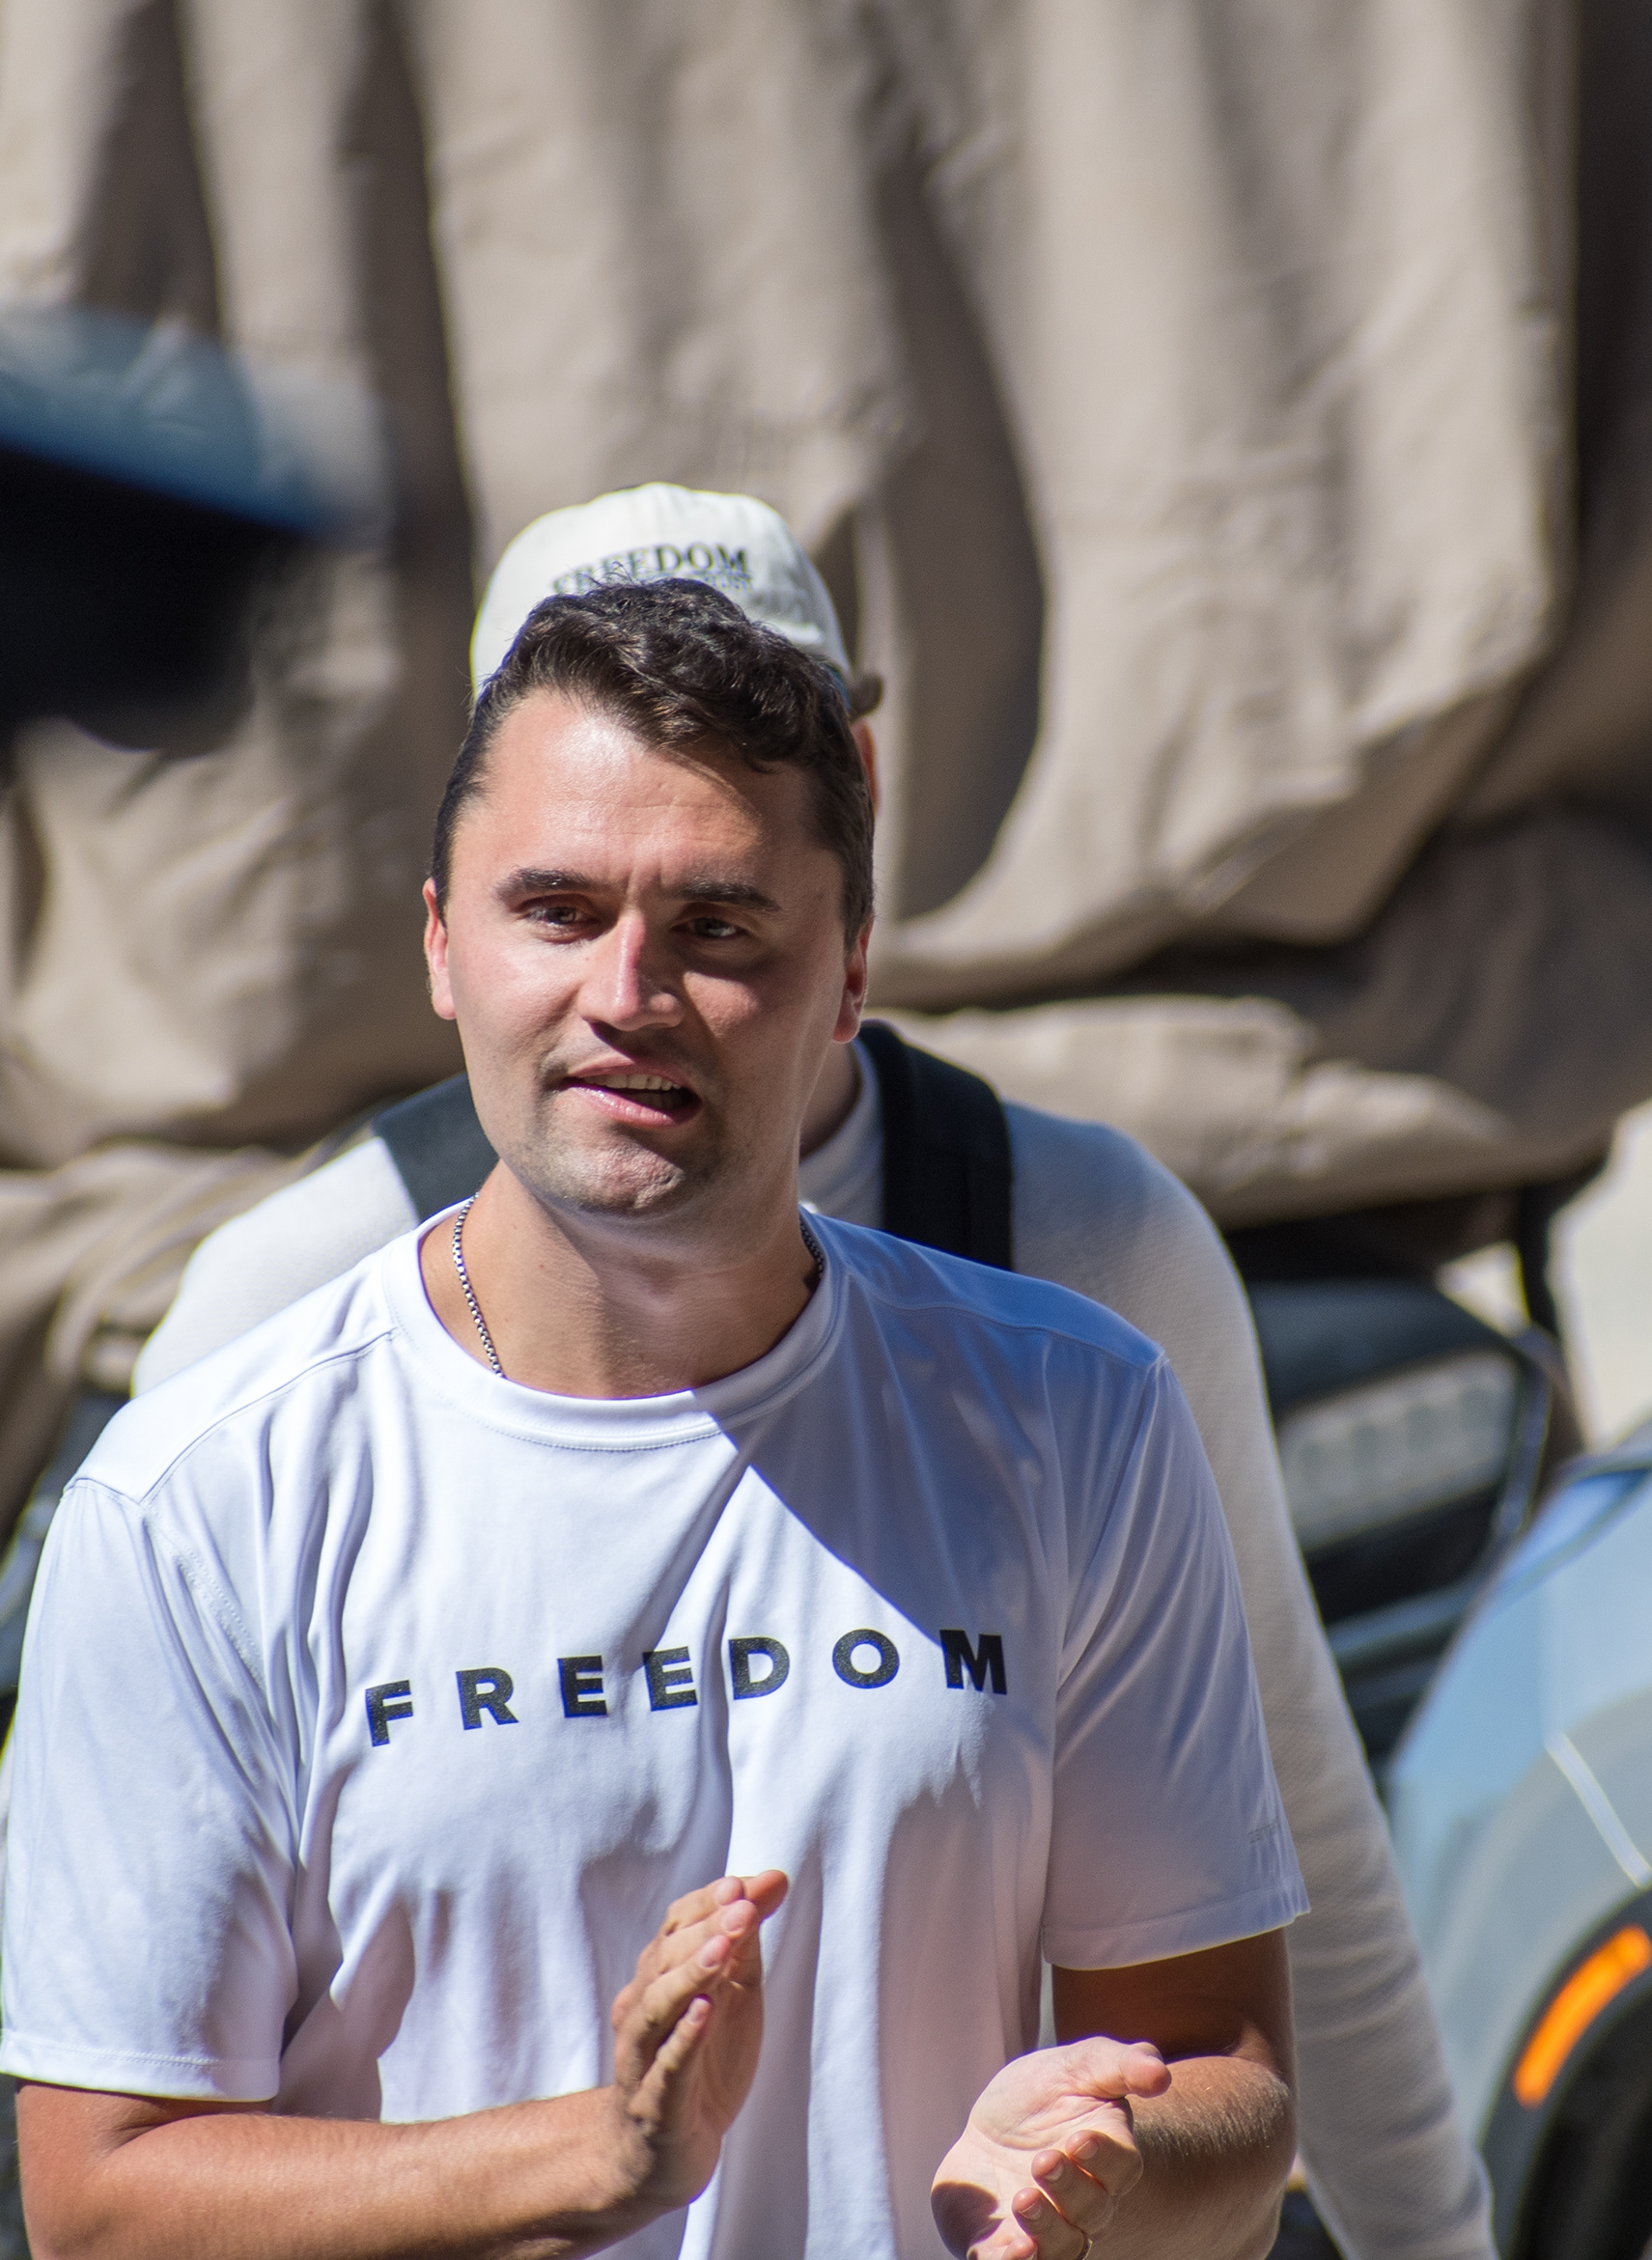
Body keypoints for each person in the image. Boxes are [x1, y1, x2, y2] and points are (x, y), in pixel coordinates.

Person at [142, 483, 1498, 2260]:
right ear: (472, 860)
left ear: (852, 789)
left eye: (748, 740)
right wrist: (577, 2161)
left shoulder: (1078, 1253)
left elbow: (1288, 1832)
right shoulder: (286, 1310)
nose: (636, 972)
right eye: (571, 874)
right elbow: (119, 2052)